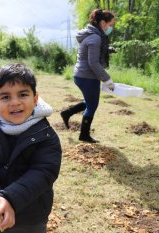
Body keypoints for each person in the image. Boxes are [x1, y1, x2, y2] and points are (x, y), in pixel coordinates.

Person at [0, 63, 62, 233]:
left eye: (23, 94)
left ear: (35, 99)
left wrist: (10, 198)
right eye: (5, 97)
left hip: (31, 217)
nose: (15, 102)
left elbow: (43, 172)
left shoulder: (46, 135)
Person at [60, 8, 116, 143]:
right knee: (92, 105)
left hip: (82, 75)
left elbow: (92, 50)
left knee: (89, 102)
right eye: (110, 25)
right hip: (87, 77)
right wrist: (107, 79)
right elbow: (93, 63)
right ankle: (84, 135)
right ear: (103, 23)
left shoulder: (92, 34)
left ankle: (67, 113)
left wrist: (108, 50)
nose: (111, 28)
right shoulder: (96, 37)